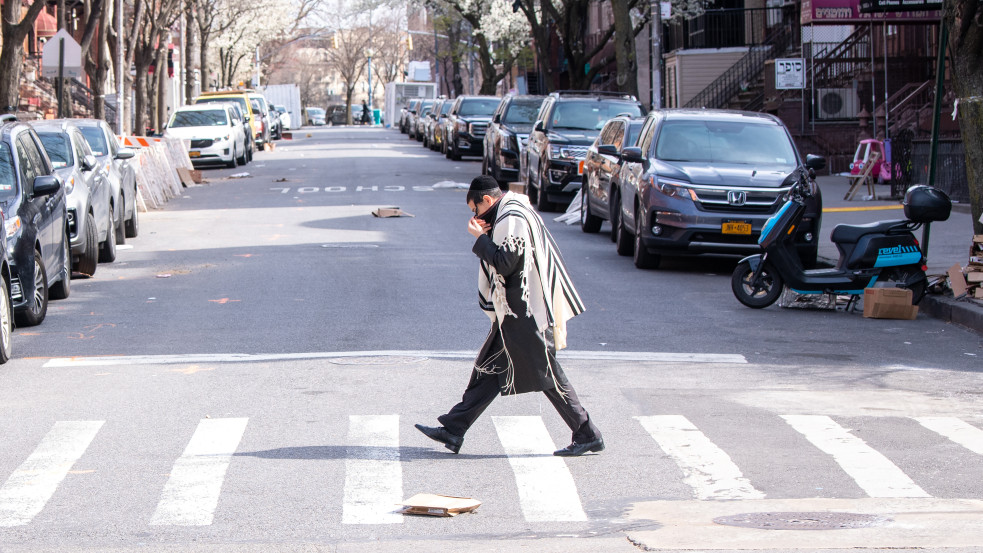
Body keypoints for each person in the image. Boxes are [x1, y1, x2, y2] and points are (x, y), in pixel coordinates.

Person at [415, 176, 603, 457]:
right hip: (516, 310)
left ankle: (587, 432)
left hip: (527, 312)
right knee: (488, 368)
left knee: (548, 373)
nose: (475, 216)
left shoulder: (510, 218)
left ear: (487, 201)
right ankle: (454, 428)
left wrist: (479, 238)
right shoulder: (510, 211)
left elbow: (505, 263)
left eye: (474, 209)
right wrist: (486, 236)